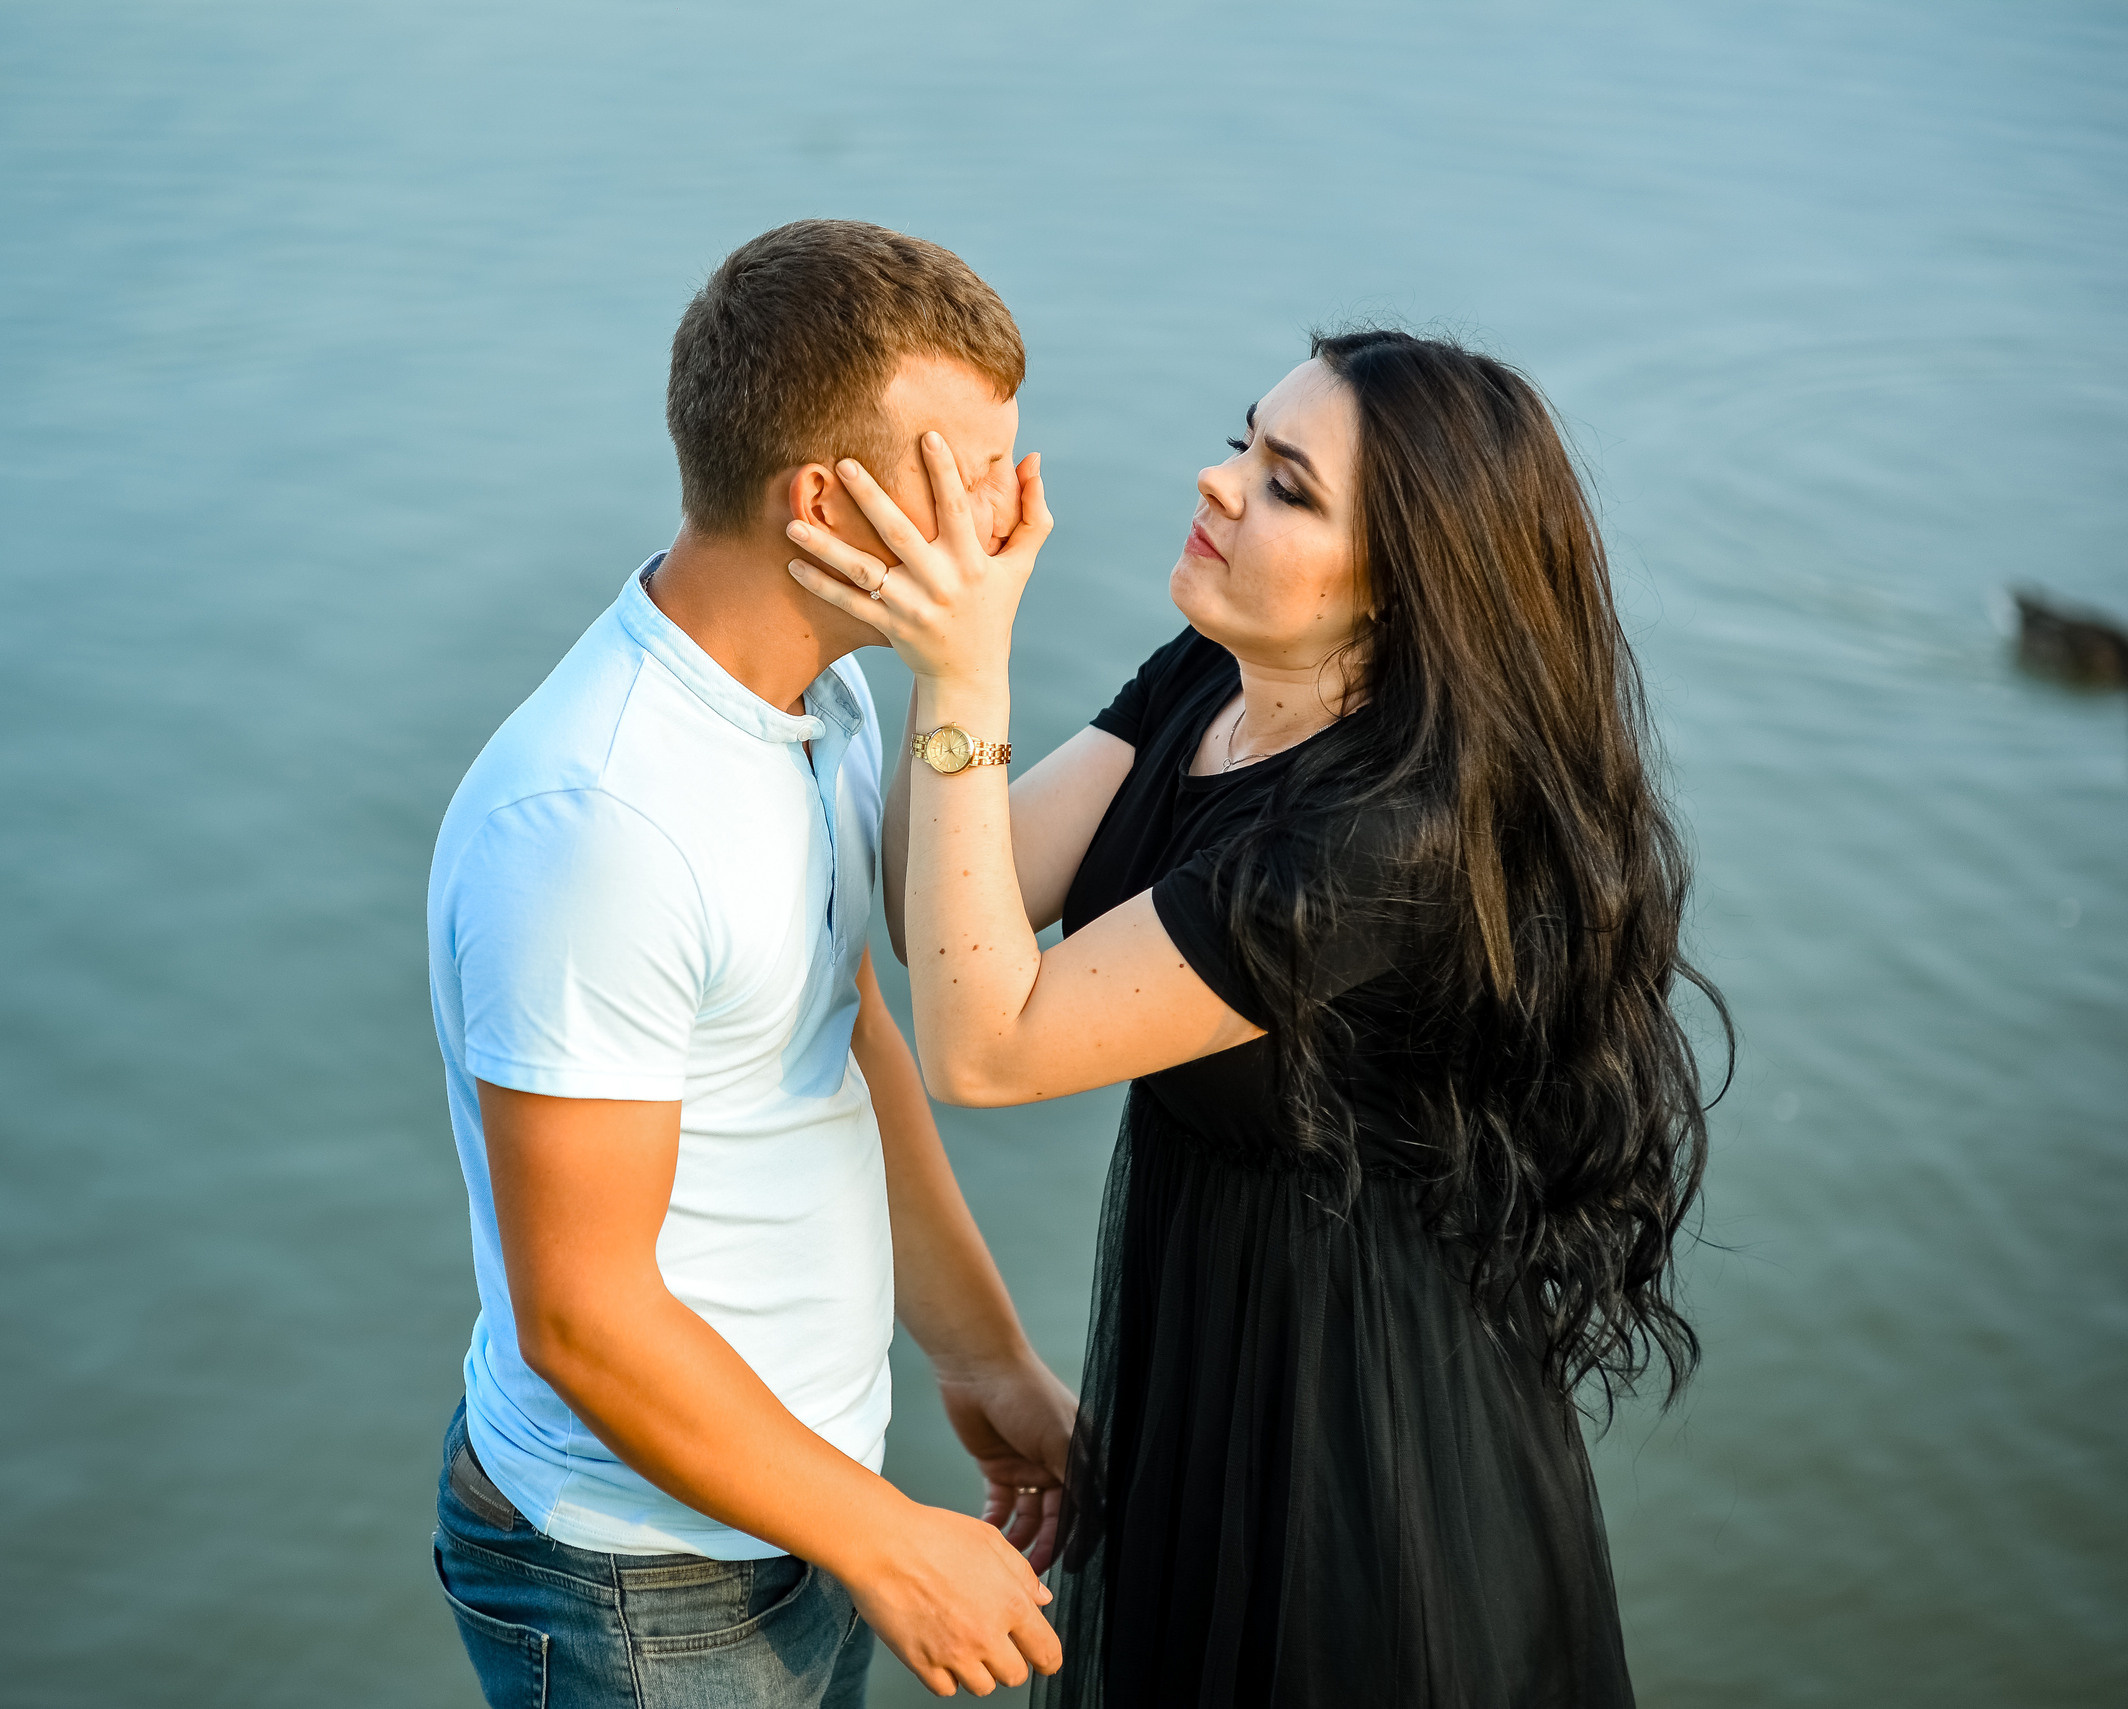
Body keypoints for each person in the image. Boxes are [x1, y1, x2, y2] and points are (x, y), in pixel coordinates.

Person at [786, 327, 1726, 1706]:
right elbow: (943, 914)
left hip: (1349, 1411)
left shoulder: (1379, 843)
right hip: (1205, 1336)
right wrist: (944, 640)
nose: (1219, 483)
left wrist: (973, 678)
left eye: (1288, 484)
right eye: (1245, 443)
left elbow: (984, 1048)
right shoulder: (1210, 676)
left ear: (1406, 589)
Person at [426, 219, 1075, 1707]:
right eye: (972, 475)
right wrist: (891, 1543)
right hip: (640, 1587)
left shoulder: (824, 696)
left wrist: (982, 1361)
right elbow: (582, 1313)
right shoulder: (600, 823)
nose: (1009, 517)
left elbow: (838, 1033)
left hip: (793, 1517)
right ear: (824, 502)